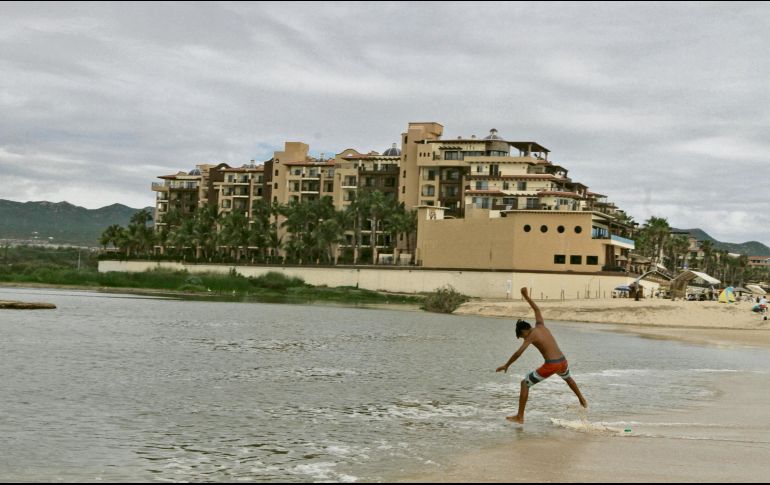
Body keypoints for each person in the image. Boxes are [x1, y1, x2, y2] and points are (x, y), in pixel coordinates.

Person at [496, 287, 588, 424]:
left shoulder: (531, 335)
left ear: (524, 331)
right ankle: (582, 399)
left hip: (552, 364)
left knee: (524, 383)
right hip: (563, 361)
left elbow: (518, 352)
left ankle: (520, 417)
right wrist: (526, 296)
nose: (523, 338)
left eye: (521, 336)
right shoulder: (540, 325)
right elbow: (537, 310)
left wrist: (506, 365)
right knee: (568, 378)